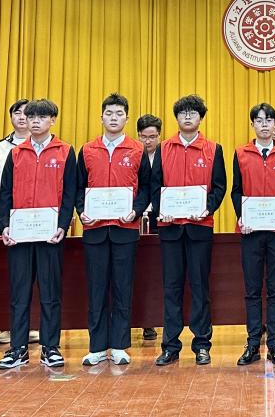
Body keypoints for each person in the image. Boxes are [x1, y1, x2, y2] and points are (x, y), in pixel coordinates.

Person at [0, 99, 76, 371]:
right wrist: (5, 225)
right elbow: (5, 193)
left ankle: (50, 347)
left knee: (50, 293)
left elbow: (70, 193)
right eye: (31, 117)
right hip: (19, 235)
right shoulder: (16, 154)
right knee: (19, 293)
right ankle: (17, 348)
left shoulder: (65, 152)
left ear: (53, 120)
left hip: (50, 234)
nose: (36, 121)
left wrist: (62, 225)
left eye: (42, 117)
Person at [76, 93, 152, 367]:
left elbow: (147, 187)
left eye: (119, 113)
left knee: (122, 287)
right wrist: (81, 210)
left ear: (126, 118)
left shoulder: (137, 150)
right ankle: (97, 346)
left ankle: (119, 345)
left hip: (125, 229)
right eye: (109, 113)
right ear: (101, 117)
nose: (113, 118)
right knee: (96, 289)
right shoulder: (87, 150)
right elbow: (78, 187)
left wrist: (137, 210)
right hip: (95, 229)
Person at [151, 95, 226, 366]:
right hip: (170, 228)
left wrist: (206, 209)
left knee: (199, 287)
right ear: (176, 117)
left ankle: (202, 344)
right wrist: (161, 209)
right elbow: (155, 185)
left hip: (199, 228)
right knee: (171, 287)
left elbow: (219, 187)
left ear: (200, 118)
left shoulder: (213, 149)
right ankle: (170, 345)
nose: (187, 116)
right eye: (182, 112)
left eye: (192, 113)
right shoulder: (164, 148)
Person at [231, 103, 275, 366]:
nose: (264, 125)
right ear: (252, 125)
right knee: (251, 290)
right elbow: (236, 190)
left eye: (268, 120)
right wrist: (241, 216)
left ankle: (274, 346)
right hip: (251, 232)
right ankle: (252, 345)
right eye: (259, 121)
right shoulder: (241, 153)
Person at [0, 99, 35, 346]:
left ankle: (33, 324)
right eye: (18, 113)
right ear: (11, 118)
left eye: (28, 113)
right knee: (10, 273)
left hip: (38, 217)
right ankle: (7, 326)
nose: (23, 117)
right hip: (7, 217)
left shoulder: (47, 146)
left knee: (36, 273)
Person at [136, 114, 163, 341]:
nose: (148, 141)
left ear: (159, 136)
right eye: (144, 137)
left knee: (155, 272)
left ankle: (151, 320)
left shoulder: (167, 154)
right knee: (137, 271)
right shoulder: (132, 154)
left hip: (159, 219)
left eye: (152, 136)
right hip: (133, 218)